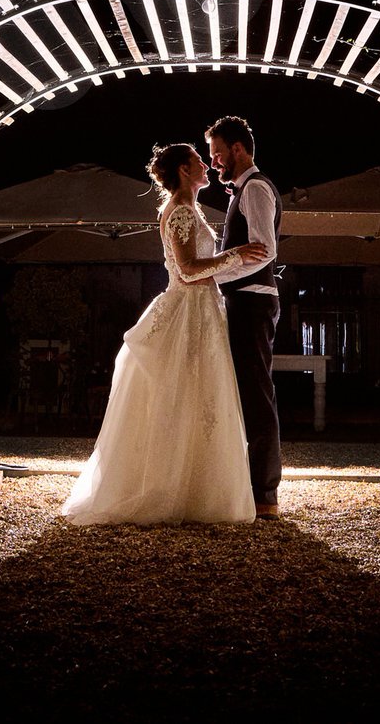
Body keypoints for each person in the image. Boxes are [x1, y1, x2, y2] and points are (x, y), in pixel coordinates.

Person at [61, 143, 269, 525]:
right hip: (188, 311)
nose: (207, 164)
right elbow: (188, 270)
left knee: (196, 397)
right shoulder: (182, 213)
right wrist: (237, 255)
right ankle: (174, 489)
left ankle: (196, 489)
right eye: (198, 161)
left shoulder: (186, 209)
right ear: (184, 171)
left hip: (201, 310)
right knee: (185, 396)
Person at [205, 114, 283, 518]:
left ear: (238, 149)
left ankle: (266, 494)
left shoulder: (255, 188)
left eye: (218, 153)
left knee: (256, 395)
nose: (214, 161)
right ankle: (250, 486)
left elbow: (264, 250)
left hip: (253, 302)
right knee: (246, 393)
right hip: (242, 300)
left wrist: (213, 272)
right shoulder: (241, 190)